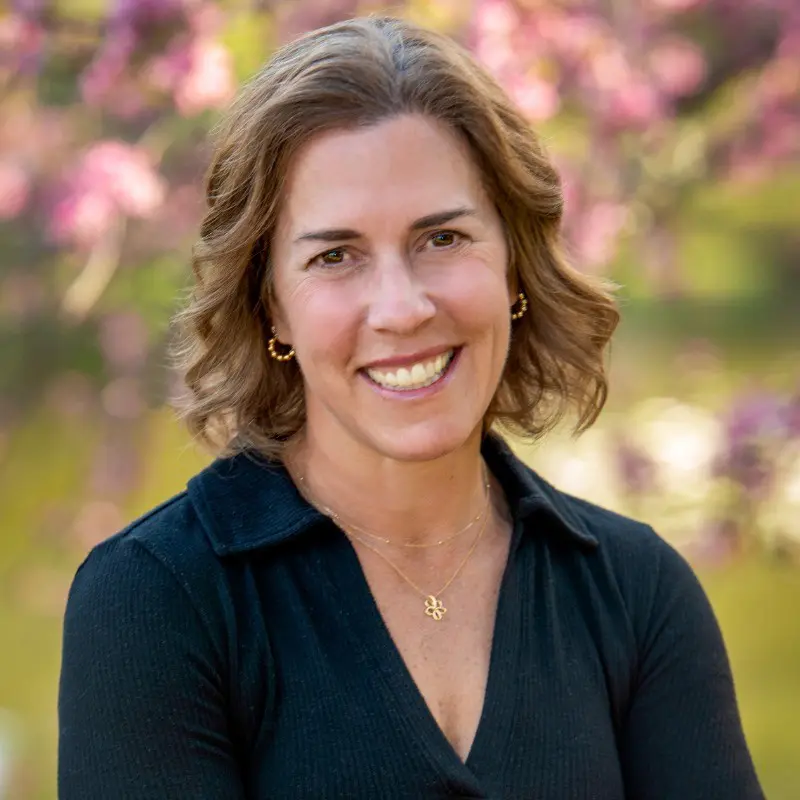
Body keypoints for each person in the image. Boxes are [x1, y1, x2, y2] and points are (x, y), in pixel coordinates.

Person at [58, 15, 764, 800]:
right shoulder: (159, 601)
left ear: (514, 266)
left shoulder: (640, 595)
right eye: (335, 256)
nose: (400, 308)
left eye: (443, 239)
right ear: (272, 310)